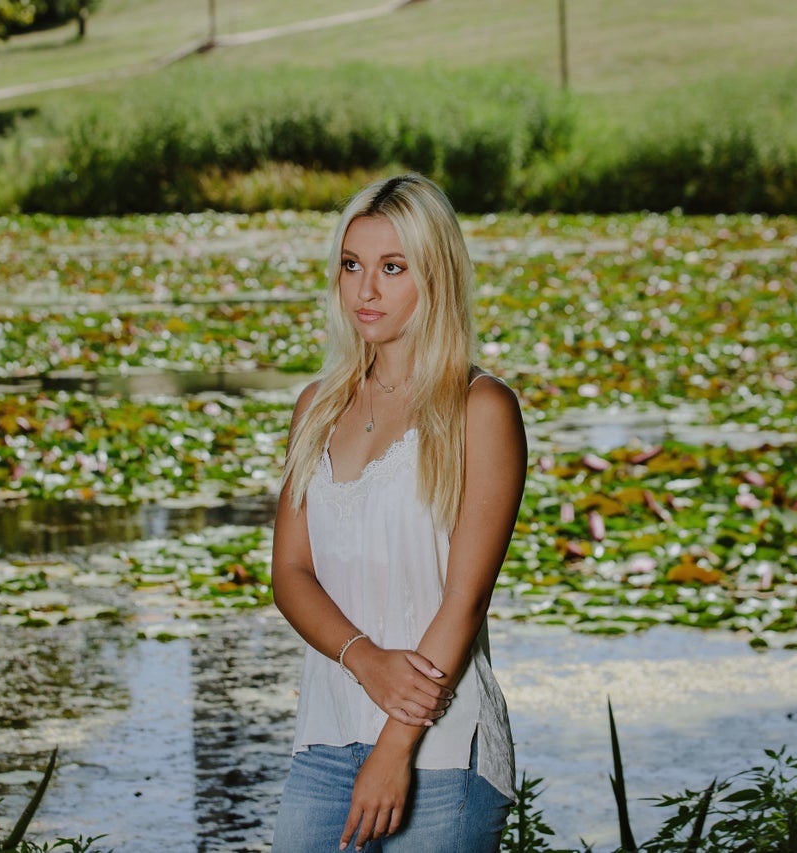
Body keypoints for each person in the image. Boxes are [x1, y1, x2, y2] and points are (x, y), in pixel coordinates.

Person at [270, 173, 527, 853]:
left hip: (442, 746)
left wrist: (394, 747)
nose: (365, 290)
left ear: (435, 274)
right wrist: (364, 657)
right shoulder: (316, 406)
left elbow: (464, 600)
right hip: (324, 736)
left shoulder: (481, 409)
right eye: (352, 266)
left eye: (392, 267)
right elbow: (291, 572)